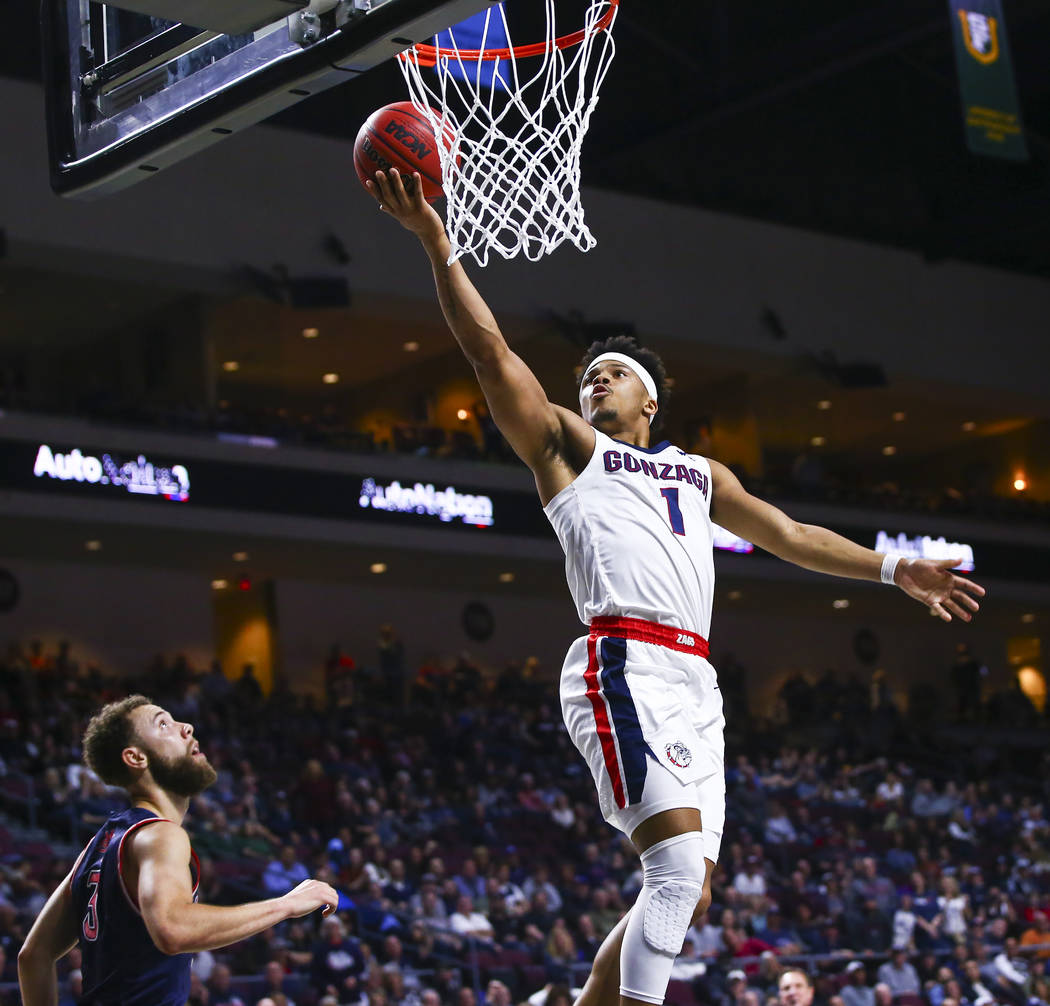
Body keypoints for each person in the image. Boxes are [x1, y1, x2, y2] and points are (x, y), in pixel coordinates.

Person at [368, 167, 987, 1006]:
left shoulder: (699, 472)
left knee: (690, 891)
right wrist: (438, 245)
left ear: (650, 398)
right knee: (669, 872)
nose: (595, 380)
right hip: (619, 661)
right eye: (588, 375)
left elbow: (792, 535)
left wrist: (891, 566)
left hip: (696, 682)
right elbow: (490, 352)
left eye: (612, 373)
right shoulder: (566, 448)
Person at [17, 696, 337, 1006]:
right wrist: (286, 905)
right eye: (164, 724)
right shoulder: (160, 835)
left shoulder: (100, 845)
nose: (187, 727)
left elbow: (34, 956)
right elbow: (173, 929)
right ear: (136, 758)